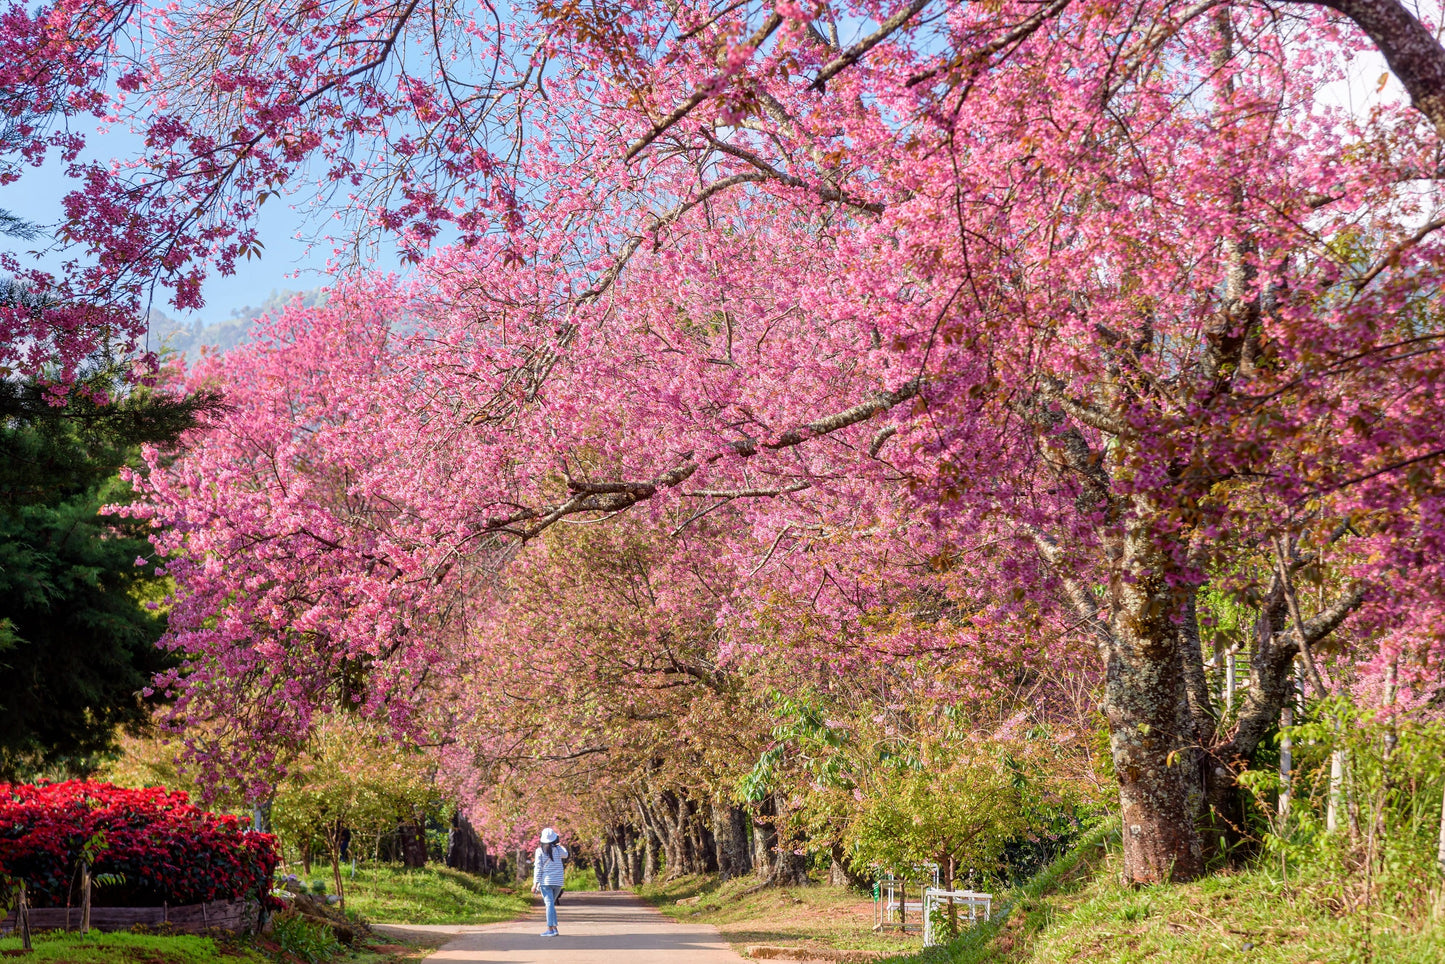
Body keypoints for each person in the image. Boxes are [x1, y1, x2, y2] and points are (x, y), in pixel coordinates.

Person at [531, 827, 568, 937]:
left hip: (546, 882)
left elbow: (538, 867)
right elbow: (566, 854)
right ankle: (554, 928)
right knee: (551, 904)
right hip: (558, 882)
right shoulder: (558, 849)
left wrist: (535, 883)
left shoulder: (539, 851)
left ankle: (550, 929)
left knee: (549, 904)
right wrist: (560, 844)